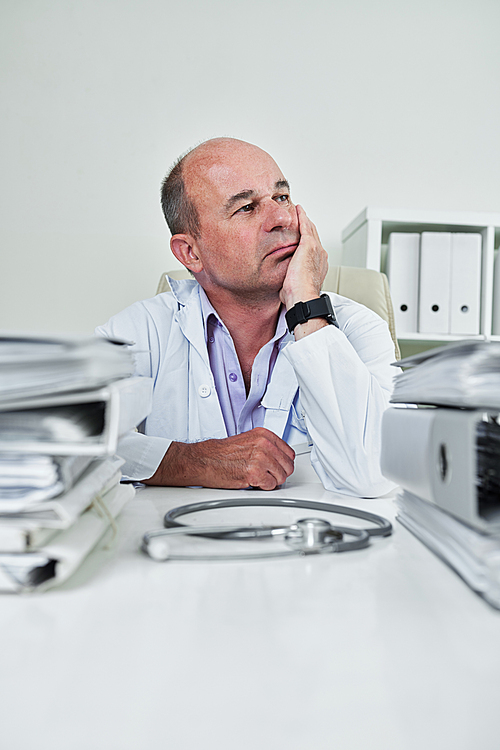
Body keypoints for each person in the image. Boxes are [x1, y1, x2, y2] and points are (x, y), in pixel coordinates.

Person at [96, 137, 397, 497]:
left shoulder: (357, 330)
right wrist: (192, 460)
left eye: (282, 197)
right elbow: (63, 447)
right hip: (184, 545)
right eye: (247, 207)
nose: (283, 218)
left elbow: (376, 475)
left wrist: (305, 305)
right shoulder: (137, 333)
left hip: (314, 546)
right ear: (191, 252)